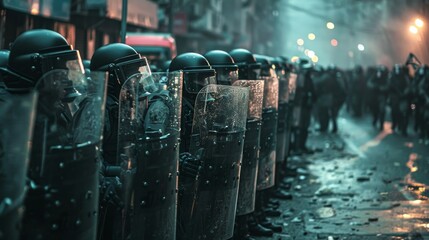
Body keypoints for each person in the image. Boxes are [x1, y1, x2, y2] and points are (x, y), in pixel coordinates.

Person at [0, 29, 106, 240]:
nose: (66, 78)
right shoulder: (9, 115)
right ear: (34, 70)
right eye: (57, 71)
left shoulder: (53, 109)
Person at [171, 52, 249, 240]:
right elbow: (161, 147)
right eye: (195, 77)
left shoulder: (207, 103)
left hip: (203, 169)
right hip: (180, 177)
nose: (200, 83)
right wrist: (179, 159)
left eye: (203, 78)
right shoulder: (169, 105)